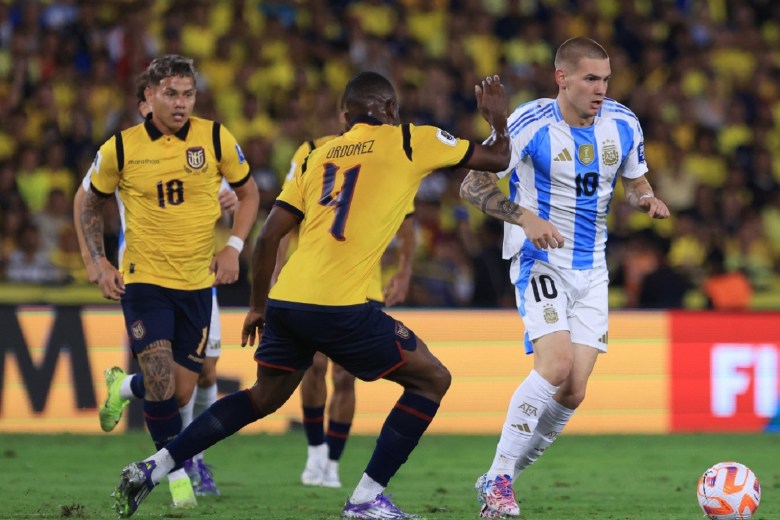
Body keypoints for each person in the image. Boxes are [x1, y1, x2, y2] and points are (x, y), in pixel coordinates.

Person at [110, 70, 510, 520]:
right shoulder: (408, 140)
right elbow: (496, 158)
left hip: (287, 300)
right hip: (339, 306)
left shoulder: (316, 155)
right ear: (392, 111)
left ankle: (154, 465)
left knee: (263, 397)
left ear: (346, 115)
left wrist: (259, 305)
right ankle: (364, 499)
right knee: (432, 379)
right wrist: (498, 121)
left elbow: (268, 237)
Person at [459, 37, 670, 518]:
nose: (601, 89)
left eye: (606, 79)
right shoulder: (530, 124)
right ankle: (499, 481)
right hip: (540, 261)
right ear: (563, 78)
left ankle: (502, 476)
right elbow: (472, 185)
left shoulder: (623, 123)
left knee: (573, 390)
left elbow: (634, 178)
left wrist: (644, 199)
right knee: (552, 367)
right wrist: (523, 217)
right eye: (591, 79)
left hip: (592, 269)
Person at [79, 55, 258, 512]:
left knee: (179, 391)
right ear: (148, 99)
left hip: (198, 283)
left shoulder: (215, 137)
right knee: (160, 381)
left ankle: (122, 387)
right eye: (171, 94)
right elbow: (88, 203)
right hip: (145, 280)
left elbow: (250, 192)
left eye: (188, 94)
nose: (181, 103)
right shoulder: (120, 148)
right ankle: (176, 480)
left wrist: (234, 246)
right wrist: (98, 262)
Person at [276, 136, 417, 489]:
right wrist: (278, 271)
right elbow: (284, 217)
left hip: (364, 284)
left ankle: (333, 461)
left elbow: (407, 220)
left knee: (344, 376)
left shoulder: (390, 152)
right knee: (315, 367)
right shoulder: (309, 149)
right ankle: (315, 451)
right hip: (319, 280)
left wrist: (403, 270)